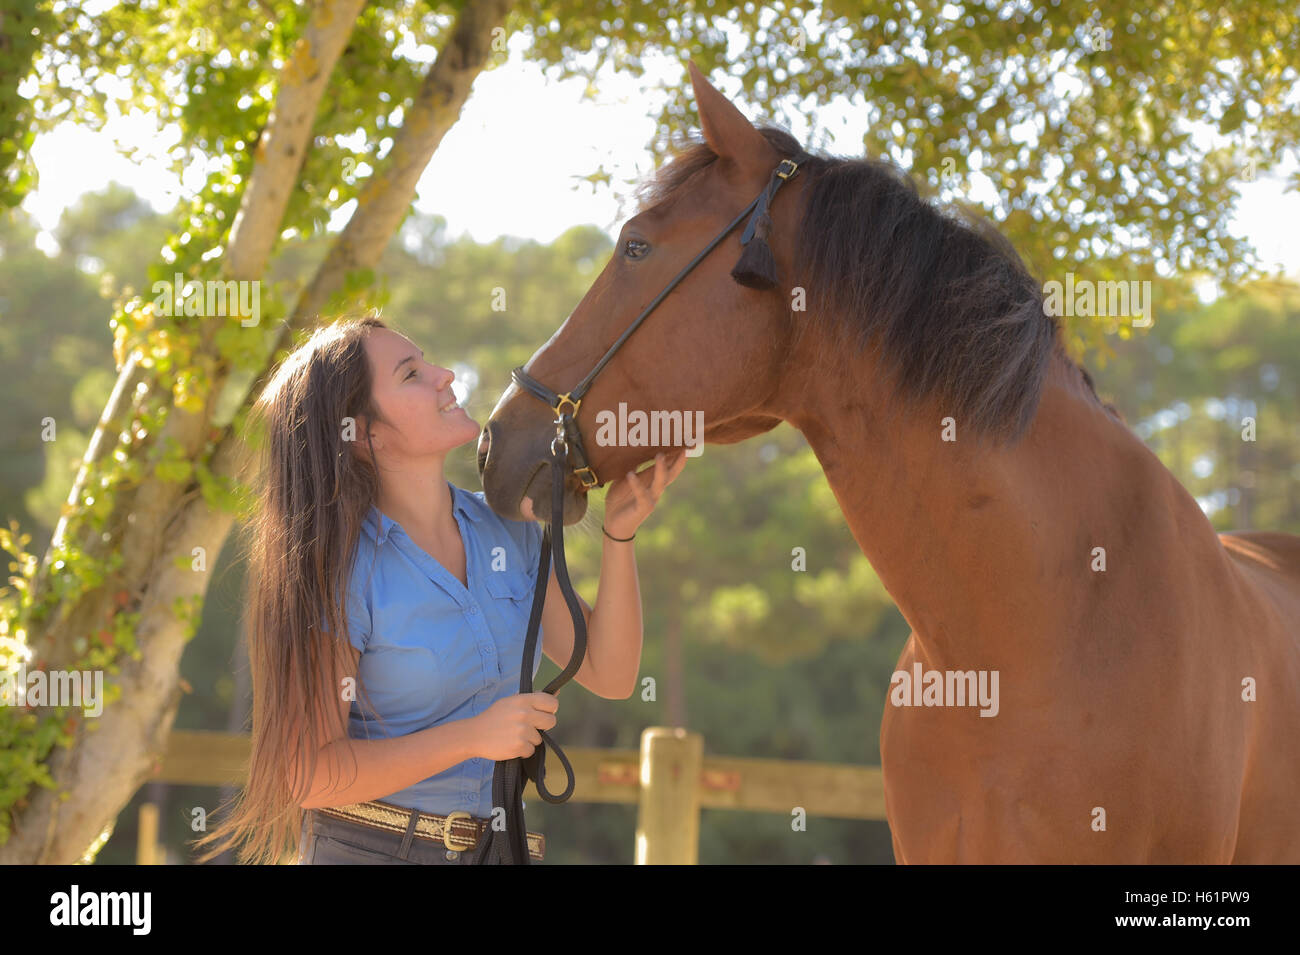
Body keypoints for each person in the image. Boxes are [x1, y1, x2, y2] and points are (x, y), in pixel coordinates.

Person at [191, 313, 686, 864]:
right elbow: (310, 774)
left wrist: (620, 533)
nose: (444, 374)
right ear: (363, 433)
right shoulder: (339, 570)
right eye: (411, 374)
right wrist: (472, 737)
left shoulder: (509, 530)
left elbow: (611, 674)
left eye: (427, 362)